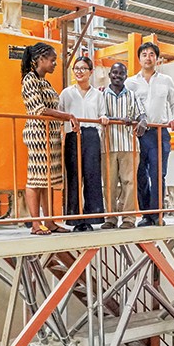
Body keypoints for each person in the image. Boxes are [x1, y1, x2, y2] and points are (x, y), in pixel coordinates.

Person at [20, 42, 78, 235]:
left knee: (48, 181)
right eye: (52, 60)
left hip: (51, 136)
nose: (55, 63)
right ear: (40, 59)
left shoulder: (45, 82)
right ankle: (36, 224)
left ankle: (49, 221)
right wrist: (67, 116)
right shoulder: (30, 79)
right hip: (38, 135)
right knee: (36, 179)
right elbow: (39, 109)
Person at [125, 42, 174, 227]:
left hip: (159, 132)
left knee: (158, 174)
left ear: (157, 59)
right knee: (140, 174)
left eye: (151, 54)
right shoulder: (130, 83)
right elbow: (126, 105)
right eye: (144, 54)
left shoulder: (166, 80)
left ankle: (157, 214)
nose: (148, 58)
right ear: (139, 59)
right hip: (138, 135)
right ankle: (146, 215)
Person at [58, 57, 107, 232]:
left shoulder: (98, 95)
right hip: (73, 136)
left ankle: (92, 217)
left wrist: (102, 120)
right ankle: (75, 219)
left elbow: (102, 114)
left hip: (92, 135)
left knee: (92, 176)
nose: (79, 72)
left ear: (91, 72)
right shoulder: (66, 93)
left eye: (83, 68)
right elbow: (60, 113)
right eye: (76, 68)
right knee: (73, 177)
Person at [101, 62, 147, 229]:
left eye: (121, 73)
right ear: (109, 75)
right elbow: (100, 115)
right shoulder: (101, 95)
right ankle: (110, 218)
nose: (117, 76)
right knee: (109, 184)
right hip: (108, 145)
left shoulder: (132, 95)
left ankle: (129, 219)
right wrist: (119, 120)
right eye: (114, 72)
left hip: (129, 145)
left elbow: (141, 114)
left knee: (129, 183)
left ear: (126, 76)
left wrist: (142, 121)